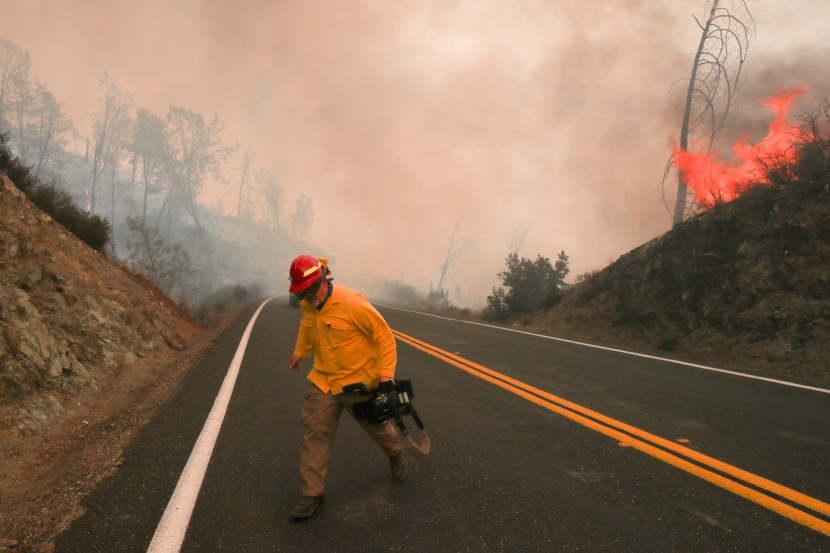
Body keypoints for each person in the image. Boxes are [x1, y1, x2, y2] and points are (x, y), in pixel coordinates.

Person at [286, 254, 406, 520]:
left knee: (379, 430)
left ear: (324, 279)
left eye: (311, 289)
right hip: (325, 379)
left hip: (358, 383)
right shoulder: (309, 304)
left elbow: (385, 337)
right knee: (314, 430)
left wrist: (386, 376)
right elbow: (308, 327)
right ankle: (312, 496)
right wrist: (301, 352)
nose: (308, 296)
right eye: (302, 293)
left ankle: (396, 454)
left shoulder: (352, 303)